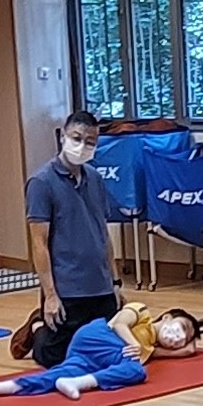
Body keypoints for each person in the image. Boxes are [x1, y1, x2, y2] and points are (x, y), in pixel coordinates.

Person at [16, 111, 120, 369]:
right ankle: (37, 326)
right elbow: (39, 243)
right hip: (68, 287)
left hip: (100, 285)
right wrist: (50, 295)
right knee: (55, 357)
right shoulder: (41, 182)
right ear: (63, 137)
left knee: (110, 352)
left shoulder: (95, 178)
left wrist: (115, 282)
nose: (82, 146)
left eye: (90, 142)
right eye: (76, 138)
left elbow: (103, 232)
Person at [0, 304, 200, 403]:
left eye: (183, 338)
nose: (178, 337)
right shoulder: (142, 313)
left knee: (54, 376)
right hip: (101, 336)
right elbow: (120, 324)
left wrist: (186, 347)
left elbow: (180, 351)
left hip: (97, 356)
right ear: (167, 317)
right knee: (136, 370)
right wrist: (133, 345)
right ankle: (79, 382)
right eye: (182, 327)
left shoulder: (149, 349)